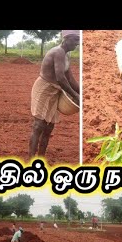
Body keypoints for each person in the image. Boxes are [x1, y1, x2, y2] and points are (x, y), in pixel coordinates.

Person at [29, 30, 80, 158]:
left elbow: (70, 79)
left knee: (49, 128)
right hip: (44, 89)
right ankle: (30, 159)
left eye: (78, 40)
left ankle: (41, 158)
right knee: (38, 125)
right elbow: (60, 78)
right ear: (66, 38)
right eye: (75, 39)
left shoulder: (66, 55)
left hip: (55, 91)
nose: (77, 43)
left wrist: (83, 93)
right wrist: (75, 95)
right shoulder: (58, 52)